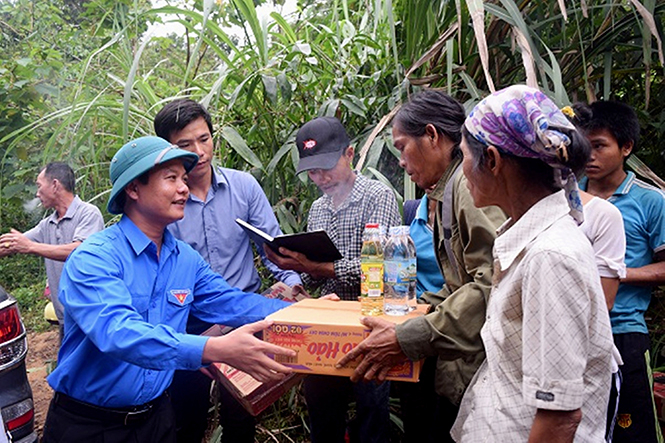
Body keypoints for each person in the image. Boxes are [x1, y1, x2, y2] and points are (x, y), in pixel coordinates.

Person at [42, 136, 296, 443]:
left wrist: (312, 310)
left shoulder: (185, 259)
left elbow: (232, 303)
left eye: (184, 179)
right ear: (133, 189)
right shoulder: (94, 258)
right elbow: (118, 332)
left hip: (157, 419)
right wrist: (214, 349)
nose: (184, 188)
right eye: (171, 178)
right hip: (90, 426)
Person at [448, 85, 614, 441]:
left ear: (491, 160)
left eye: (462, 156)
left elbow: (560, 417)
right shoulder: (530, 242)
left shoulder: (549, 257)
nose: (461, 171)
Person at [337, 90, 505, 443]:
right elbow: (460, 282)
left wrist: (411, 333)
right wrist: (409, 316)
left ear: (431, 136)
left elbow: (493, 282)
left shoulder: (466, 186)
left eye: (401, 146)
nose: (399, 161)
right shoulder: (444, 193)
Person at [154, 99, 303, 443]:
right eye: (185, 145)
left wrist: (292, 286)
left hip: (243, 319)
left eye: (204, 139)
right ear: (167, 149)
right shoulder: (164, 201)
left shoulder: (244, 186)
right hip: (189, 327)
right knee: (185, 419)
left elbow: (273, 249)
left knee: (241, 419)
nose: (200, 152)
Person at [264, 116, 400, 443]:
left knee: (371, 412)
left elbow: (379, 265)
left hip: (370, 325)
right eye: (312, 171)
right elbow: (317, 279)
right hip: (325, 329)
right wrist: (296, 282)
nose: (321, 178)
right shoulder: (318, 209)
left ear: (350, 154)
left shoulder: (377, 196)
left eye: (327, 167)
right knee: (323, 411)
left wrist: (320, 268)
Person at [574, 100, 665, 443]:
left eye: (599, 146)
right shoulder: (567, 196)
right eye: (585, 145)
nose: (590, 156)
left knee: (631, 431)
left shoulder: (649, 201)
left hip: (623, 331)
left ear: (626, 147)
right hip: (573, 330)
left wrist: (617, 275)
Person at [0, 162, 104, 339]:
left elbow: (79, 251)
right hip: (66, 319)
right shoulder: (47, 224)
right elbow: (16, 243)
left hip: (91, 317)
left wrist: (30, 247)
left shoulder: (88, 214)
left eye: (39, 186)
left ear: (55, 185)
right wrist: (9, 245)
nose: (37, 193)